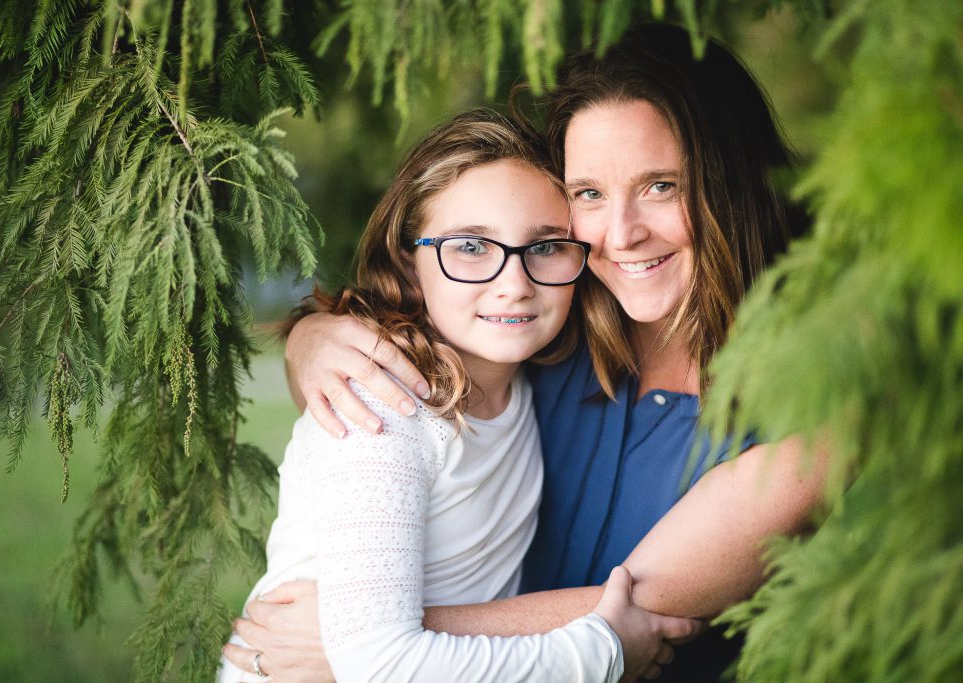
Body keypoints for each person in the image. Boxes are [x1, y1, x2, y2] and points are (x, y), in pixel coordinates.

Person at [228, 22, 829, 682]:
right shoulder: (556, 329)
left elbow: (649, 603)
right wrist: (314, 341)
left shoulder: (814, 393)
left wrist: (359, 644)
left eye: (662, 185)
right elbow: (424, 336)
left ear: (732, 182)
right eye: (589, 194)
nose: (622, 234)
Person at [218, 108, 698, 683]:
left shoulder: (528, 380)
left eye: (546, 247)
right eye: (471, 247)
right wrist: (605, 652)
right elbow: (382, 663)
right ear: (408, 259)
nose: (513, 284)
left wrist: (306, 332)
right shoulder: (385, 412)